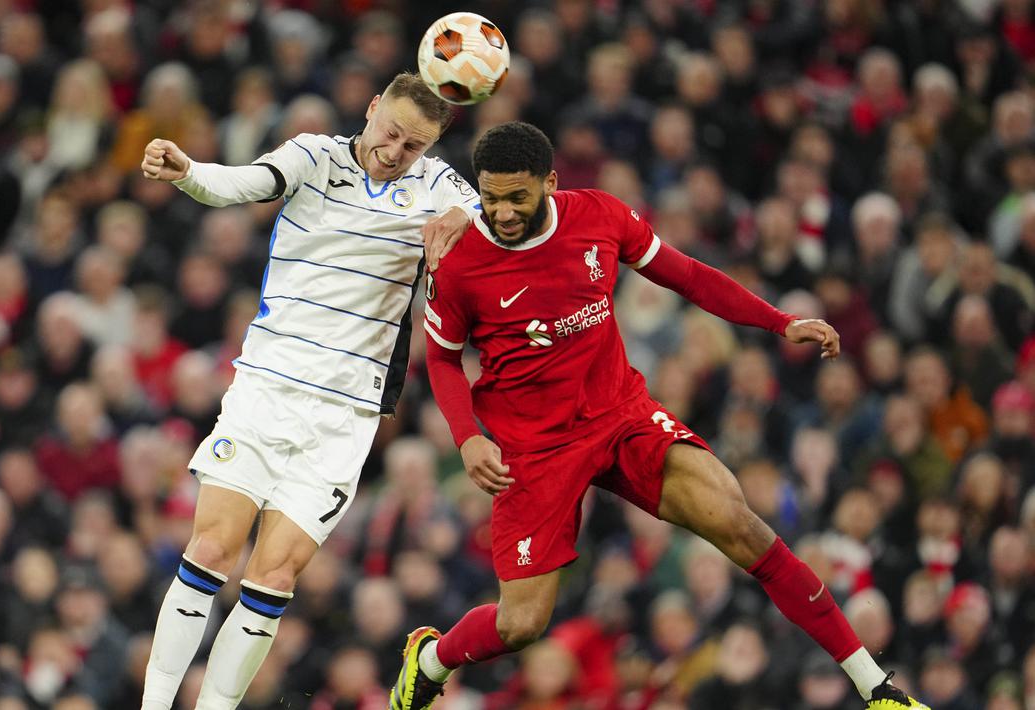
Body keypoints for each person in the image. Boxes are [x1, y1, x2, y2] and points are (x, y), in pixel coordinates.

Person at [390, 122, 927, 710]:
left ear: (550, 181)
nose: (503, 212)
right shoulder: (461, 262)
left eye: (517, 197)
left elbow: (689, 276)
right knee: (520, 626)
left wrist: (779, 321)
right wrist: (468, 439)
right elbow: (441, 359)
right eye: (490, 198)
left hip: (621, 415)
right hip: (534, 449)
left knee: (740, 524)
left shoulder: (598, 216)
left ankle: (878, 689)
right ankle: (432, 659)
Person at [136, 72, 478, 710]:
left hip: (346, 417)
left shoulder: (439, 187)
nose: (396, 150)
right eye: (390, 132)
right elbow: (243, 182)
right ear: (371, 108)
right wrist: (187, 170)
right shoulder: (312, 156)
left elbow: (492, 219)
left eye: (414, 145)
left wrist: (466, 217)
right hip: (267, 388)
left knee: (275, 574)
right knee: (211, 546)